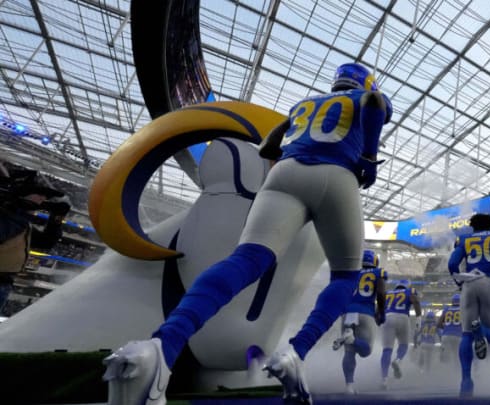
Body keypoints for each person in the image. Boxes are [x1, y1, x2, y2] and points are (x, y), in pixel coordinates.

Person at [102, 63, 393, 405]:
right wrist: (369, 158)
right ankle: (296, 353)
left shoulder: (304, 106)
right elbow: (374, 102)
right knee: (345, 277)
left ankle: (161, 348)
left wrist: (275, 155)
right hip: (336, 174)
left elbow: (270, 144)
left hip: (285, 174)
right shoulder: (364, 95)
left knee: (246, 260)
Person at [448, 213, 490, 397]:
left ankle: (466, 382)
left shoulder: (463, 239)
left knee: (466, 335)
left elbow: (452, 263)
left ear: (472, 226)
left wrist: (460, 283)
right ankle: (482, 332)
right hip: (489, 281)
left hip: (469, 281)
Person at [0, 163, 70, 310]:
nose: (42, 201)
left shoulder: (24, 223)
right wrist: (18, 208)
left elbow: (46, 242)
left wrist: (56, 219)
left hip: (5, 283)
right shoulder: (9, 217)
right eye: (39, 195)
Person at [332, 249, 386, 395]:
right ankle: (352, 340)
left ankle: (349, 386)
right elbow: (381, 293)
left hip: (347, 312)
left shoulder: (351, 274)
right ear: (374, 261)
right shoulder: (377, 273)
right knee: (366, 350)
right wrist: (381, 312)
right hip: (365, 312)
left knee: (349, 352)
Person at [379, 279, 421, 389]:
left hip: (388, 317)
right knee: (404, 345)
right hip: (403, 318)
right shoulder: (409, 291)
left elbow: (378, 308)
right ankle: (398, 360)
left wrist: (378, 320)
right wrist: (418, 319)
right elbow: (415, 301)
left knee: (387, 350)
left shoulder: (388, 293)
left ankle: (384, 379)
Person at [437, 293, 462, 365]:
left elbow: (438, 324)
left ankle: (445, 372)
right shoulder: (463, 310)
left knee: (445, 357)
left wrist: (447, 328)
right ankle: (455, 372)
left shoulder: (446, 309)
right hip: (458, 336)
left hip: (446, 336)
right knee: (457, 356)